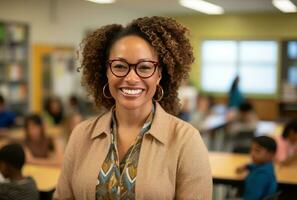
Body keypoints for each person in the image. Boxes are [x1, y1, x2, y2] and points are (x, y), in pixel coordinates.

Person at [54, 16, 212, 199]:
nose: (131, 78)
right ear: (106, 72)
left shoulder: (186, 140)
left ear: (159, 75)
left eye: (144, 67)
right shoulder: (81, 135)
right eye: (120, 66)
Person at [236, 136, 277, 200]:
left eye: (257, 151)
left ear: (270, 154)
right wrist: (246, 166)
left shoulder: (260, 176)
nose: (252, 153)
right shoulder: (267, 166)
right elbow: (255, 166)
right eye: (251, 149)